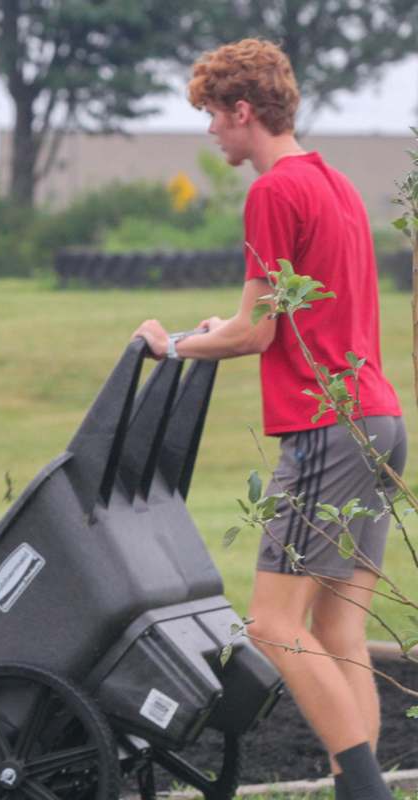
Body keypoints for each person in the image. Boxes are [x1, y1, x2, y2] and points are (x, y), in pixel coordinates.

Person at [132, 38, 406, 800]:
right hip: (377, 421)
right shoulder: (336, 186)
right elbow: (271, 317)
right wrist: (226, 326)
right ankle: (362, 789)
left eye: (212, 117)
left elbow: (258, 334)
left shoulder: (272, 192)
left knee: (273, 624)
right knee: (338, 628)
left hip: (325, 428)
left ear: (242, 110)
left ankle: (365, 790)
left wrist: (173, 344)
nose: (210, 133)